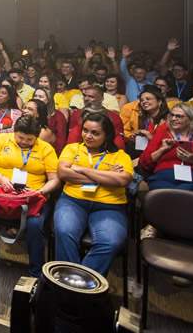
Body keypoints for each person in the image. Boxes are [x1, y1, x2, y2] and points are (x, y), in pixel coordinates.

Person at [0, 115, 61, 277]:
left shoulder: (46, 148)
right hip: (0, 193)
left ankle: (36, 272)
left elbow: (54, 180)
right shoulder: (1, 139)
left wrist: (40, 192)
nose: (25, 142)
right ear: (14, 132)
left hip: (31, 198)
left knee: (35, 224)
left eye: (30, 139)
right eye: (20, 137)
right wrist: (1, 179)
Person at [54, 112, 133, 275]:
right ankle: (75, 283)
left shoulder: (120, 155)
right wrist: (105, 176)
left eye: (95, 133)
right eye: (85, 130)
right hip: (73, 201)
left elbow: (122, 180)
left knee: (111, 242)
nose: (88, 136)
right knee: (63, 232)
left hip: (109, 206)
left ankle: (80, 280)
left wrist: (83, 170)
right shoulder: (72, 148)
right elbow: (63, 173)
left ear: (107, 135)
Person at [138, 104, 193, 199]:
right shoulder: (163, 137)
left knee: (188, 190)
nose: (173, 119)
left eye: (179, 116)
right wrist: (162, 150)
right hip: (164, 179)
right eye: (172, 115)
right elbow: (144, 164)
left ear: (191, 120)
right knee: (165, 192)